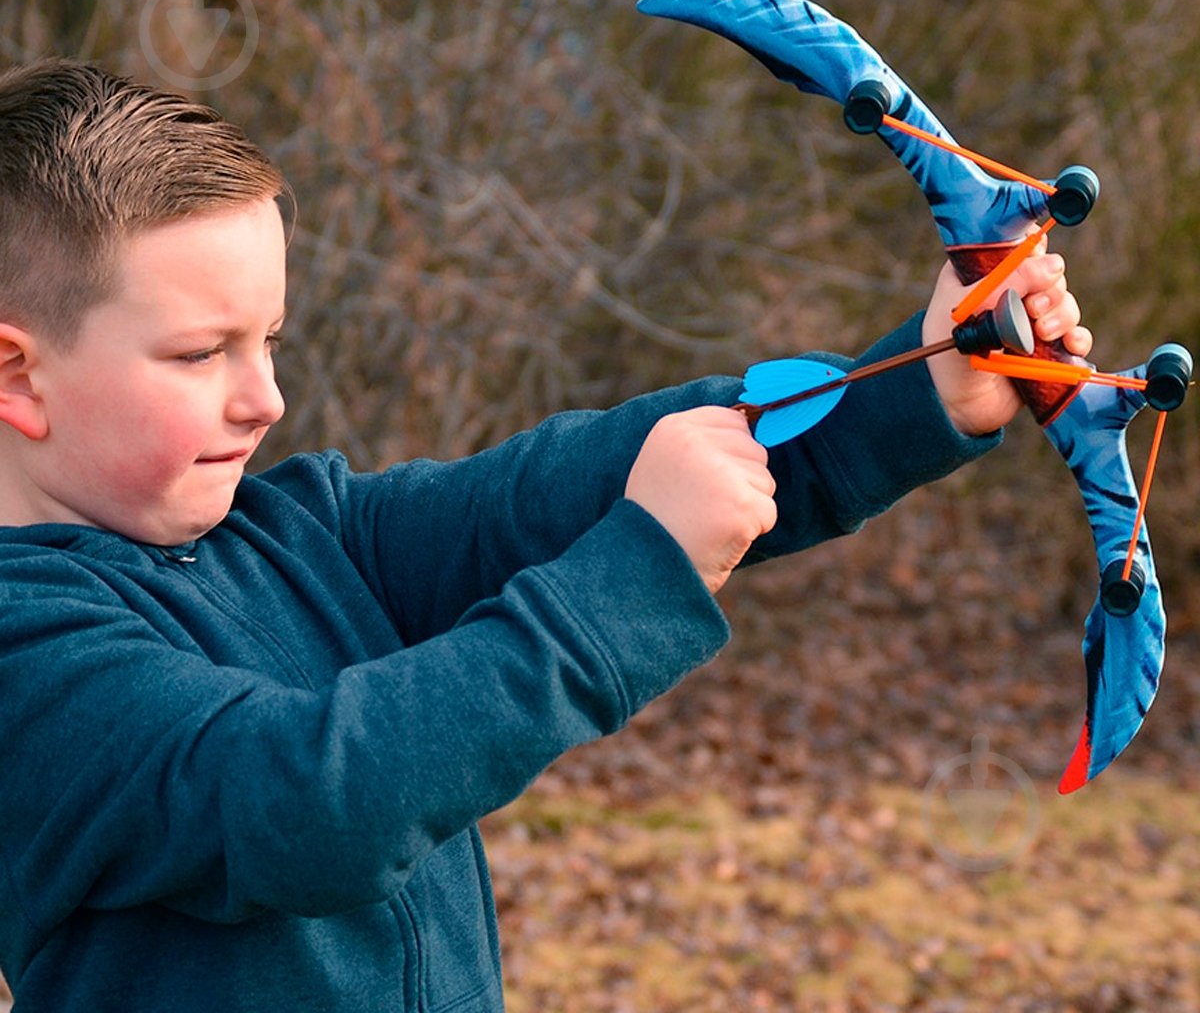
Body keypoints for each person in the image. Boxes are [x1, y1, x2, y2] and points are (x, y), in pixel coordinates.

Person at [0, 59, 1090, 1013]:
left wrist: (925, 383)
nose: (266, 400)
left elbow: (548, 493)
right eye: (202, 355)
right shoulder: (26, 652)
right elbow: (310, 803)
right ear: (19, 375)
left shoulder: (301, 534)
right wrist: (640, 576)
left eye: (270, 342)